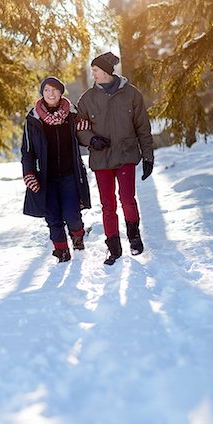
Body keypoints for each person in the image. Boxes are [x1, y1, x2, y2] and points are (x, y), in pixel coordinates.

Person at [76, 52, 154, 265]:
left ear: (107, 72)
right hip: (101, 159)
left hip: (126, 154)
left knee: (127, 199)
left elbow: (143, 128)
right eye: (92, 70)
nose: (93, 74)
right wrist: (92, 140)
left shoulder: (131, 94)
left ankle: (134, 237)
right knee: (107, 204)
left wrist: (148, 156)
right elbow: (80, 128)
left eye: (96, 70)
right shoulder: (87, 99)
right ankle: (113, 247)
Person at [21, 76, 91, 263]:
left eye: (54, 90)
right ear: (42, 94)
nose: (50, 94)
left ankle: (78, 235)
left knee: (72, 213)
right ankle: (61, 250)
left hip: (69, 174)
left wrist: (87, 131)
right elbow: (27, 150)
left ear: (61, 92)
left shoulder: (71, 115)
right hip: (46, 177)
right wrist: (28, 173)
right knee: (53, 216)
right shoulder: (33, 119)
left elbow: (85, 131)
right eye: (46, 90)